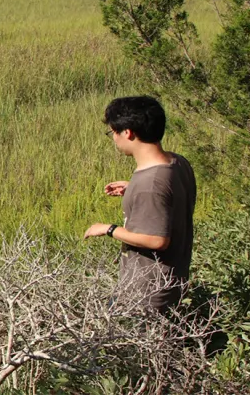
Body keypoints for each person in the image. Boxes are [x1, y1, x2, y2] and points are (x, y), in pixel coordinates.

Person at [83, 96, 197, 312]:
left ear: (128, 132)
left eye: (113, 132)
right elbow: (171, 194)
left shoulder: (150, 185)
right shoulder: (177, 162)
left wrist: (109, 229)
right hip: (172, 282)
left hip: (147, 293)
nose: (114, 139)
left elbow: (157, 240)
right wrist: (132, 188)